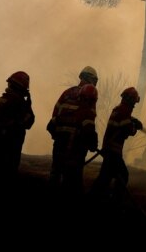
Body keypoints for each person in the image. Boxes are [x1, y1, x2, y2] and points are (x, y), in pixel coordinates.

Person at [46, 65, 99, 197]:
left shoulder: (67, 93)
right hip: (76, 144)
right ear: (92, 80)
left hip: (60, 141)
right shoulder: (89, 95)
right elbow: (88, 121)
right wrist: (91, 141)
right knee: (73, 177)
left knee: (56, 172)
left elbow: (54, 116)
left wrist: (58, 135)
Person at [90, 86, 143, 203]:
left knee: (105, 177)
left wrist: (133, 120)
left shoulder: (119, 109)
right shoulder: (124, 111)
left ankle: (94, 198)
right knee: (123, 175)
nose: (134, 105)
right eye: (134, 102)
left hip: (109, 149)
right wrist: (135, 127)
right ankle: (115, 201)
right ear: (130, 100)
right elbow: (127, 129)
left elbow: (124, 121)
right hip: (113, 151)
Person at [0, 70, 36, 178]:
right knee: (8, 173)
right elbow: (30, 121)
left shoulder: (1, 100)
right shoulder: (18, 103)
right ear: (21, 88)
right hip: (12, 146)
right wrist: (28, 105)